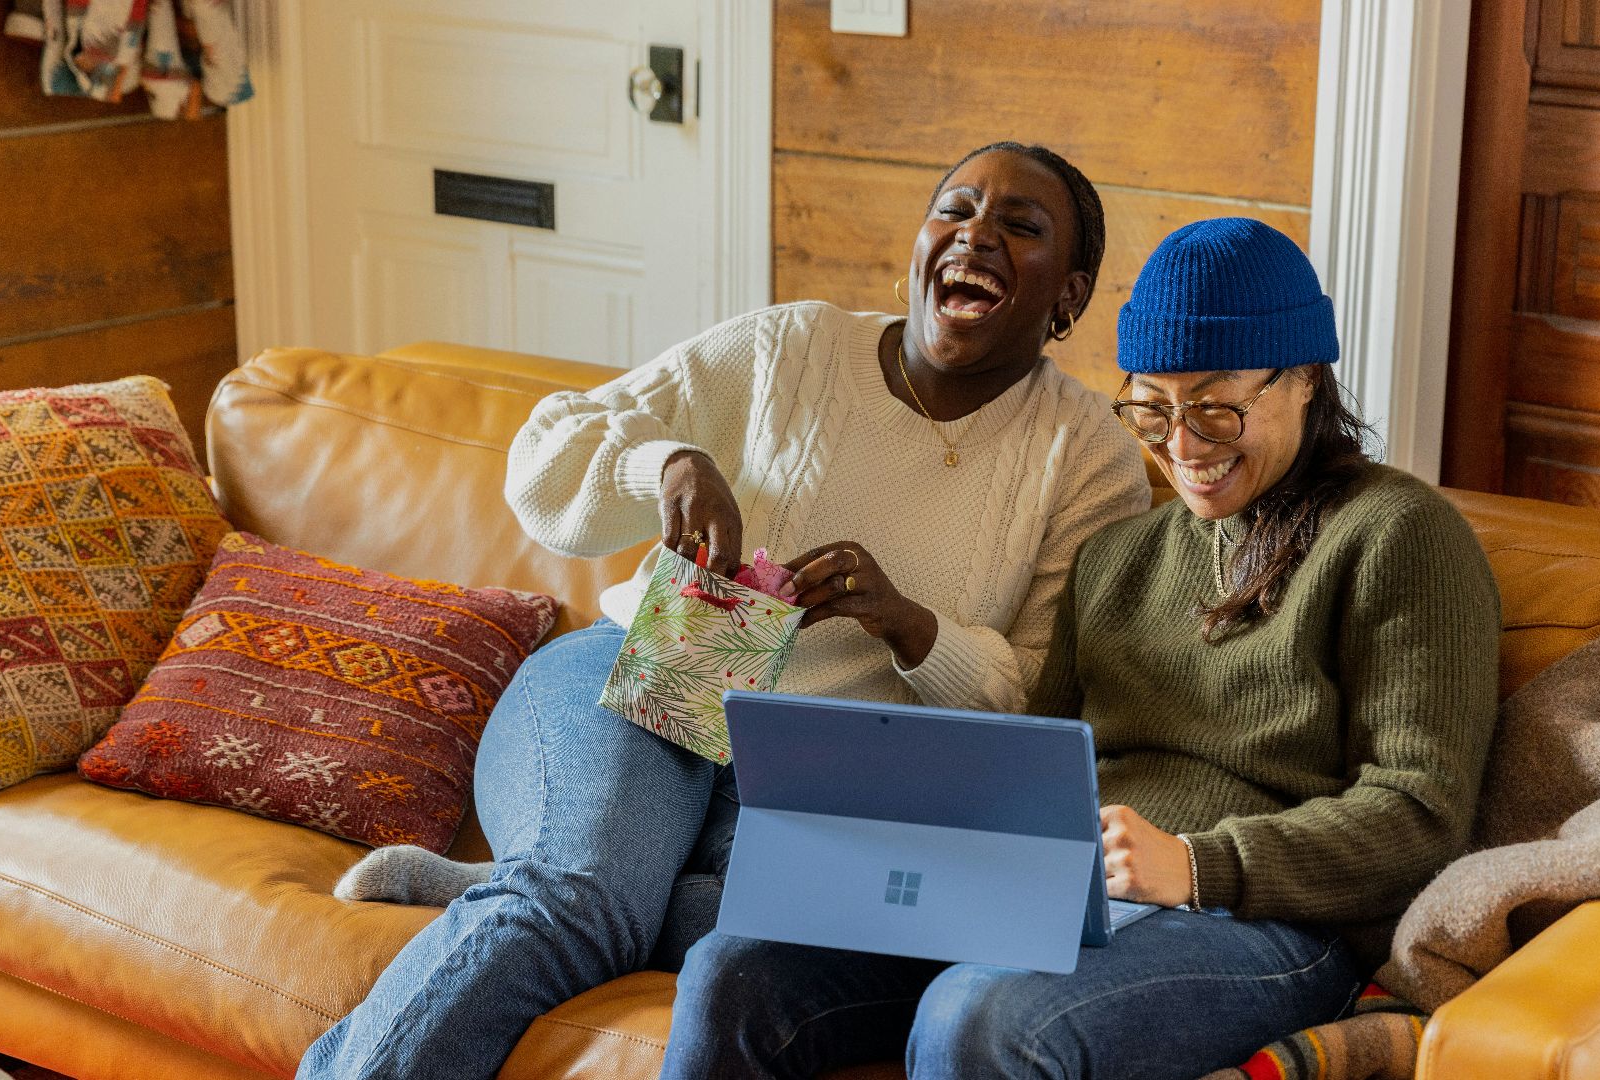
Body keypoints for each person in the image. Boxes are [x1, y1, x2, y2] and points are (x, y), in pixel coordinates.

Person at [295, 142, 1152, 1080]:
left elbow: (1039, 699)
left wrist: (910, 624)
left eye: (1019, 227)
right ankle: (552, 885)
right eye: (956, 210)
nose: (976, 235)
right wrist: (667, 464)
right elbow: (546, 449)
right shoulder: (794, 348)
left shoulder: (1088, 458)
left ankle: (517, 882)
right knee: (576, 904)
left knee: (751, 929)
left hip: (822, 773)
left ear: (1068, 296)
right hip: (643, 674)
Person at [662, 217, 1503, 1079]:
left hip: (1268, 922)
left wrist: (1201, 865)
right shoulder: (1116, 558)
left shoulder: (1399, 535)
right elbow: (1034, 768)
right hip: (1064, 898)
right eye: (1152, 409)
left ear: (1304, 380)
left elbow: (1421, 814)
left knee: (980, 1017)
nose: (1182, 449)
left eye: (1215, 409)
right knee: (732, 970)